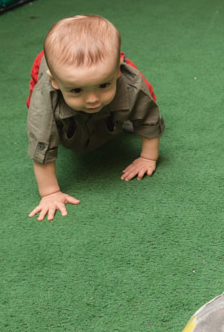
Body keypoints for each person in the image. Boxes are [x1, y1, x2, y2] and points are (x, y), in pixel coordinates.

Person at [26, 15, 164, 221]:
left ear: (117, 70)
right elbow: (42, 142)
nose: (92, 100)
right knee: (39, 119)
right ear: (55, 81)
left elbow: (149, 117)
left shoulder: (129, 80)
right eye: (77, 90)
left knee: (144, 98)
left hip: (113, 75)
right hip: (47, 73)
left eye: (103, 86)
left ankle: (99, 94)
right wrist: (50, 193)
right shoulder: (46, 95)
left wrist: (147, 157)